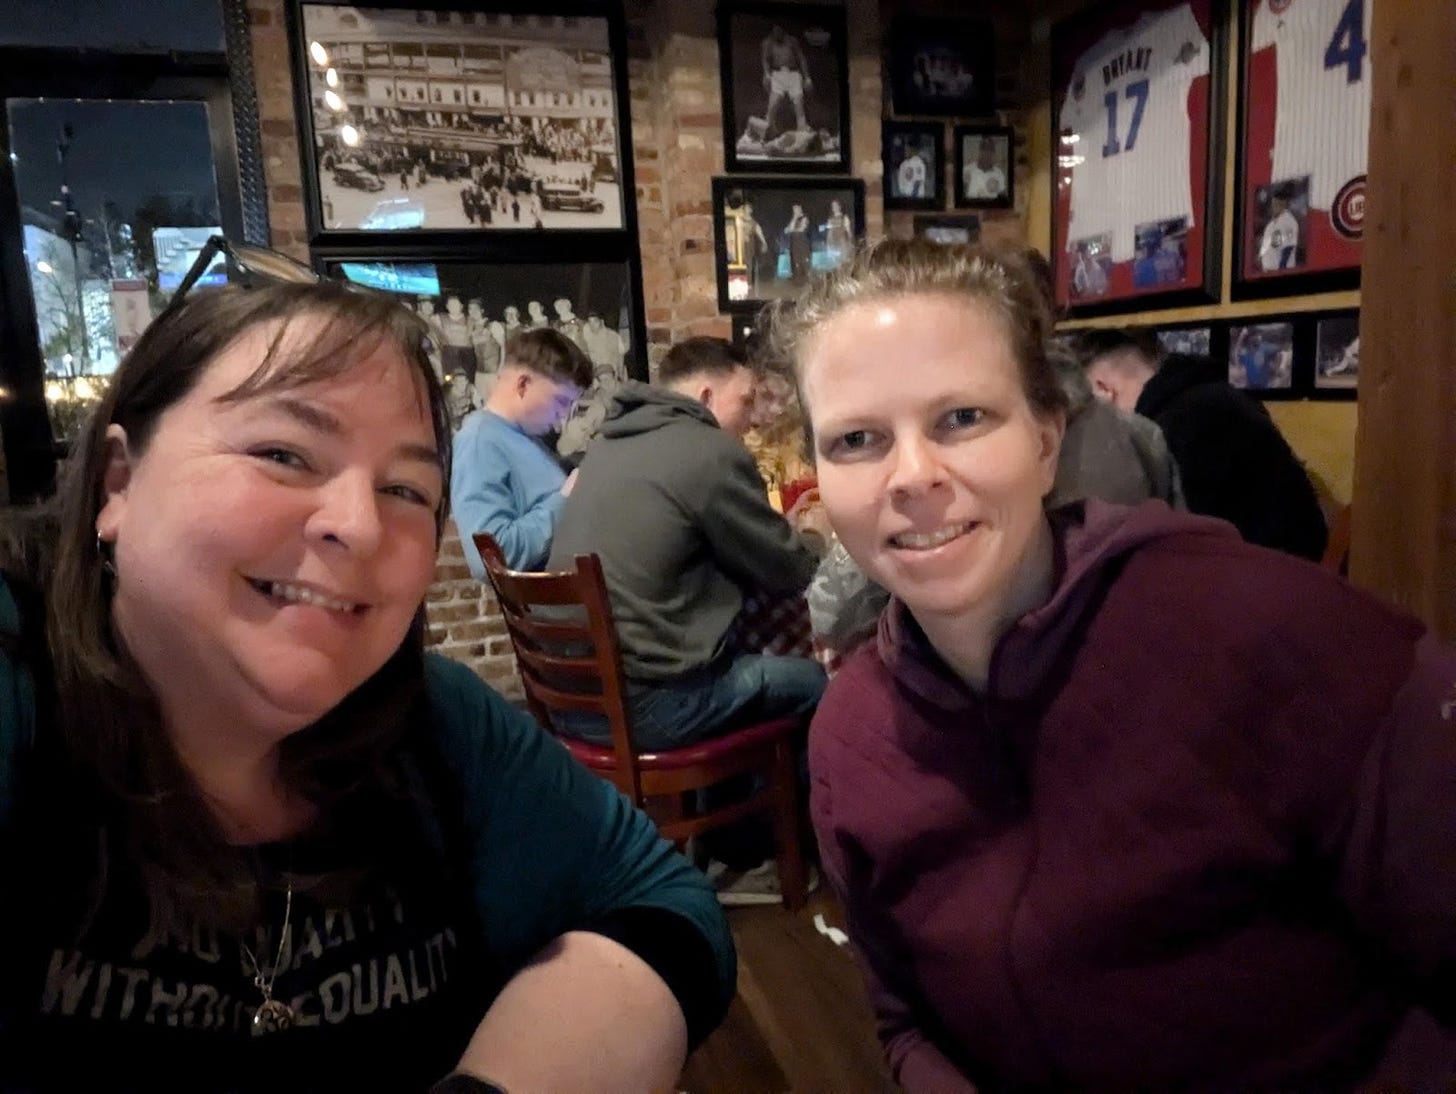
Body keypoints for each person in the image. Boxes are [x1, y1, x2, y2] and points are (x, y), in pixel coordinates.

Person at [0, 277, 735, 1093]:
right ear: (117, 483)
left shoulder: (436, 724)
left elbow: (659, 900)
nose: (358, 523)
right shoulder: (22, 690)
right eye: (283, 454)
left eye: (405, 490)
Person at [773, 237, 1456, 1092]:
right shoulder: (849, 737)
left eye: (962, 419)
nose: (913, 476)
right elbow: (904, 1020)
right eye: (858, 439)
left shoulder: (1274, 633)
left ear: (1047, 436)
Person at [548, 336, 824, 753]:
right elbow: (791, 571)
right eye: (746, 401)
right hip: (649, 707)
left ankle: (731, 795)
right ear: (707, 396)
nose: (754, 420)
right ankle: (788, 813)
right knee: (820, 682)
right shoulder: (709, 449)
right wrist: (816, 531)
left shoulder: (609, 444)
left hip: (568, 701)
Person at [1079, 328, 1327, 560]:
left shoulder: (1176, 426)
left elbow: (1167, 546)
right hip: (1295, 571)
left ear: (1103, 391)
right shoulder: (1214, 397)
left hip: (1263, 583)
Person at [451, 328, 592, 576]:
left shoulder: (523, 437)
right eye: (561, 402)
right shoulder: (479, 441)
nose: (564, 416)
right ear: (524, 384)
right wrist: (564, 501)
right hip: (562, 606)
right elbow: (489, 560)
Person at [759, 24, 812, 137]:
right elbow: (765, 60)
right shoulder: (768, 42)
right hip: (777, 75)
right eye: (775, 30)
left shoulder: (792, 41)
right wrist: (766, 74)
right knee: (773, 105)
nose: (777, 32)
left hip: (793, 74)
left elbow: (801, 58)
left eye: (779, 30)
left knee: (798, 104)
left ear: (783, 30)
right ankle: (768, 132)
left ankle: (802, 131)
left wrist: (807, 77)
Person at [1258, 186, 1301, 271]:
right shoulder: (1270, 224)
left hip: (1280, 269)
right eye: (1273, 204)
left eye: (1277, 204)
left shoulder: (1289, 221)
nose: (1274, 207)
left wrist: (1281, 270)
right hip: (1268, 270)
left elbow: (1289, 246)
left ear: (1284, 204)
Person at [962, 136, 1007, 201]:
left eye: (990, 150)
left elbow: (1002, 197)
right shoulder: (967, 169)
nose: (986, 153)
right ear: (979, 151)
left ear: (993, 153)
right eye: (984, 149)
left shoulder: (999, 173)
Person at [784, 204, 811, 282]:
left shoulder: (804, 218)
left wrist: (791, 230)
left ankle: (809, 280)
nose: (794, 211)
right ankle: (798, 280)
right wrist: (794, 218)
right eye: (793, 210)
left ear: (800, 209)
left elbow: (801, 229)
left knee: (805, 262)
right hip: (795, 243)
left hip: (803, 243)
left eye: (796, 209)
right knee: (796, 262)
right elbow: (787, 230)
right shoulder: (794, 219)